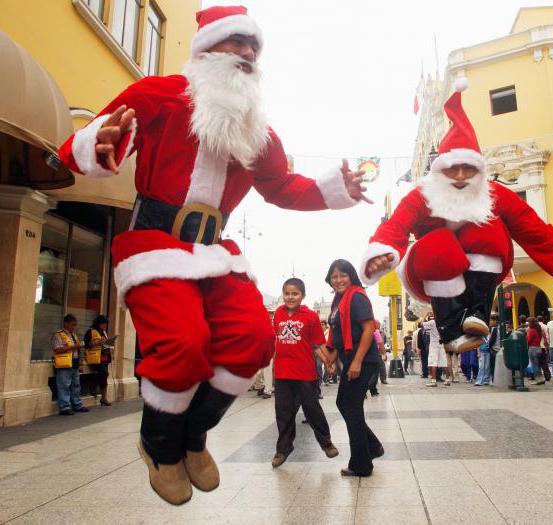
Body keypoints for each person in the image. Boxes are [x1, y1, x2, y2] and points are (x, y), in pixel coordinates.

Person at [57, 5, 371, 505]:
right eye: (237, 44)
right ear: (205, 49)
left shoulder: (257, 130)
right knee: (183, 343)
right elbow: (87, 143)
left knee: (250, 339)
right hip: (156, 243)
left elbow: (281, 185)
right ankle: (160, 446)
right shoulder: (157, 93)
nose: (247, 54)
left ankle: (193, 437)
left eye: (254, 48)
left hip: (216, 249)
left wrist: (336, 189)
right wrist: (102, 143)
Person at [360, 81, 553, 356]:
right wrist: (381, 253)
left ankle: (476, 312)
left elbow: (544, 239)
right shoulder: (423, 195)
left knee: (487, 229)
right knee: (440, 243)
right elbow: (395, 226)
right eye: (453, 169)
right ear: (440, 171)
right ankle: (451, 329)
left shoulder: (495, 194)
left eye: (469, 169)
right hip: (429, 268)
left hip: (481, 270)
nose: (462, 177)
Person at [271, 278, 338, 468]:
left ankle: (326, 443)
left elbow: (317, 344)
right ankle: (283, 449)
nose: (290, 297)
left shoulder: (310, 316)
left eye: (295, 294)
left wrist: (328, 361)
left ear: (303, 296)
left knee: (312, 409)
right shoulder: (278, 313)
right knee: (283, 412)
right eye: (287, 293)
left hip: (305, 373)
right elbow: (276, 340)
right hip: (283, 373)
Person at [325, 260, 383, 477]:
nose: (338, 280)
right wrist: (330, 355)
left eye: (343, 275)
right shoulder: (338, 300)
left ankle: (362, 464)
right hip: (350, 358)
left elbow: (369, 329)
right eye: (334, 276)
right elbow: (336, 334)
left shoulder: (356, 296)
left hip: (363, 358)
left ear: (351, 277)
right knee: (346, 404)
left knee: (351, 407)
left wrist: (357, 361)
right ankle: (372, 446)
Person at [52, 314, 90, 416]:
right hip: (64, 364)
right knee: (64, 385)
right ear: (66, 324)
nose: (73, 327)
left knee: (76, 385)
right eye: (72, 325)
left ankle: (77, 404)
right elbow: (57, 349)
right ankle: (65, 406)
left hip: (75, 363)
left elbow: (79, 349)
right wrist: (73, 347)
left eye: (75, 325)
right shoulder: (58, 335)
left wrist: (81, 363)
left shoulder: (74, 335)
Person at [84, 315, 114, 406]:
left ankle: (104, 398)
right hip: (95, 357)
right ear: (98, 323)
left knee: (104, 376)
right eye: (103, 324)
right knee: (104, 374)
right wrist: (97, 343)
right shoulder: (91, 332)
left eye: (106, 324)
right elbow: (86, 344)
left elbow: (105, 344)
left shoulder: (104, 333)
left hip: (105, 357)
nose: (105, 326)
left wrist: (109, 342)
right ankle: (95, 389)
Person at [422, 314, 450, 387]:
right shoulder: (444, 322)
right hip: (441, 344)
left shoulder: (432, 322)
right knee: (444, 362)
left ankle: (433, 381)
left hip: (434, 345)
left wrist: (424, 316)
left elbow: (422, 324)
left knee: (432, 362)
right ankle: (447, 379)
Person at [526, 317, 547, 386]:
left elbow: (528, 340)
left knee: (534, 365)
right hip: (538, 348)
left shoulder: (531, 330)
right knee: (538, 364)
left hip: (533, 349)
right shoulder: (538, 329)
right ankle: (541, 378)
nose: (528, 324)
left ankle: (538, 379)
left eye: (528, 322)